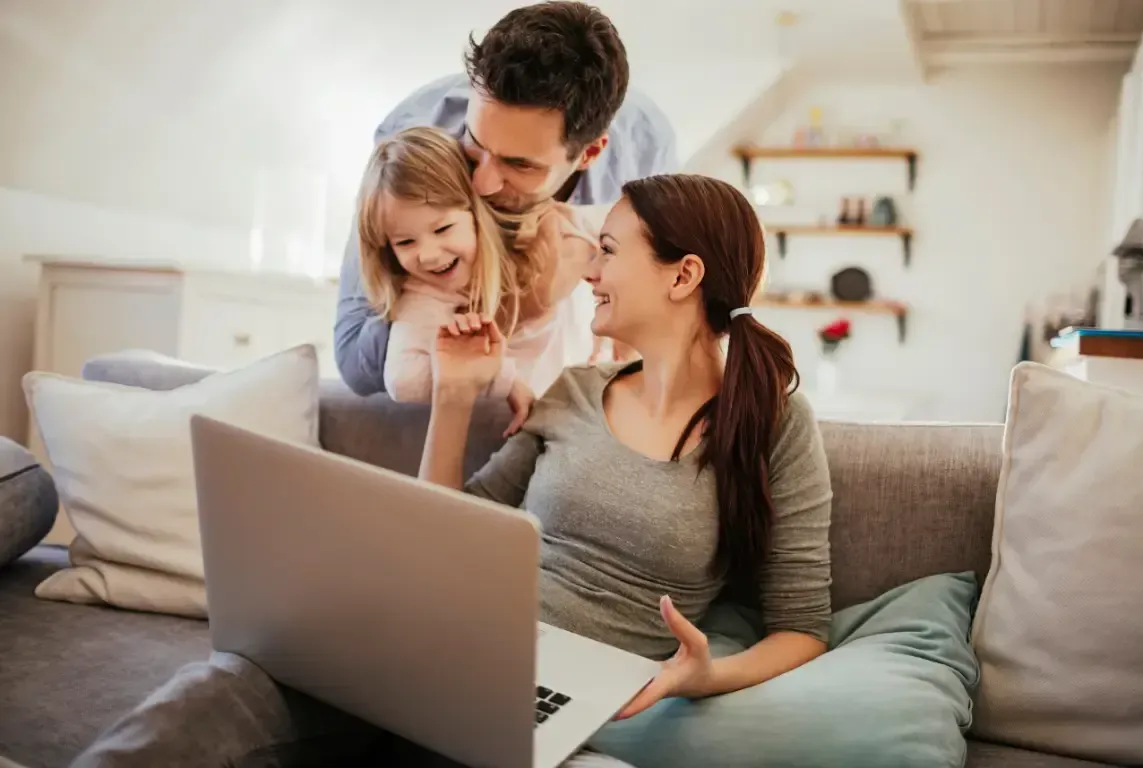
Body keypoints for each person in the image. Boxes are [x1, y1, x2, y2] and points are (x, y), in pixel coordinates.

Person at [72, 174, 832, 767]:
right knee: (217, 696)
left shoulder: (771, 425)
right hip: (434, 637)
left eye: (608, 249)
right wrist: (458, 396)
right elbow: (447, 529)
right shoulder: (573, 392)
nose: (589, 270)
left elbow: (801, 628)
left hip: (556, 694)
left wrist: (702, 679)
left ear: (682, 274)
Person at [335, 1, 678, 397]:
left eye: (520, 165)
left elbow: (657, 316)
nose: (480, 184)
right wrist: (515, 306)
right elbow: (355, 361)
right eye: (474, 144)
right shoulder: (411, 140)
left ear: (589, 153)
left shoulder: (644, 149)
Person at [357, 125, 598, 433]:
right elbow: (403, 379)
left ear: (476, 212)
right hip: (532, 426)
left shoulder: (542, 230)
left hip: (587, 399)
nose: (428, 255)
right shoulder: (424, 294)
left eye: (442, 229)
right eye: (405, 242)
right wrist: (503, 380)